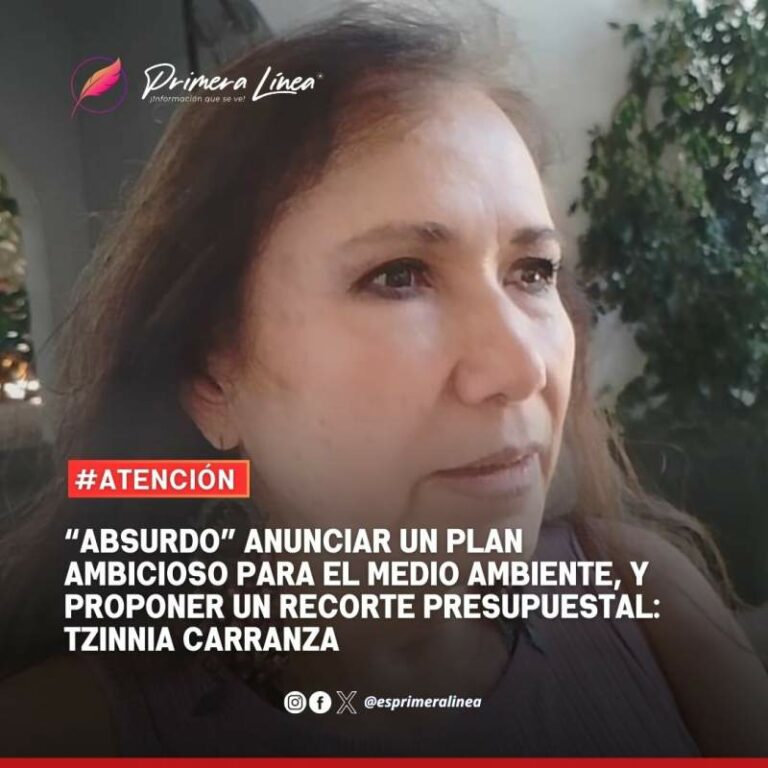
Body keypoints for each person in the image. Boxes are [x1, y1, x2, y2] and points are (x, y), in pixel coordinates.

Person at [0, 4, 766, 757]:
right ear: (211, 378)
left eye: (532, 272)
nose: (523, 368)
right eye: (399, 276)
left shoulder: (644, 598)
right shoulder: (60, 733)